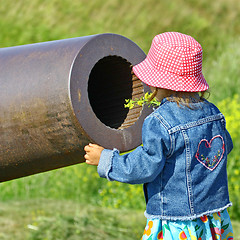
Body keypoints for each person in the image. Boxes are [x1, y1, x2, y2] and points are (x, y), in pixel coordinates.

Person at [84, 32, 234, 239]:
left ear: (158, 82)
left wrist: (107, 161)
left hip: (177, 222)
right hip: (213, 217)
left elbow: (145, 167)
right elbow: (225, 146)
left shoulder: (160, 122)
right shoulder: (213, 113)